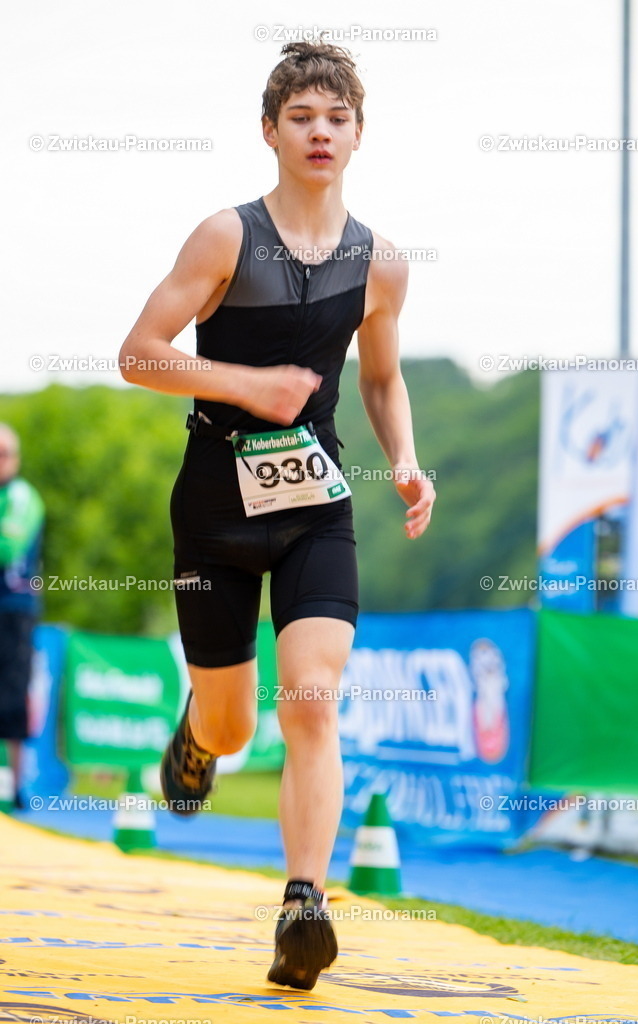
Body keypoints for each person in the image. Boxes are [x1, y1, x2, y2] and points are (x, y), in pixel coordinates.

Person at [119, 40, 436, 990]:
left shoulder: (381, 263)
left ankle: (304, 904)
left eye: (336, 118)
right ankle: (195, 734)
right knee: (232, 729)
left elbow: (380, 379)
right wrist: (244, 383)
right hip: (213, 509)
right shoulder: (224, 237)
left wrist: (407, 461)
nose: (319, 132)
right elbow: (139, 353)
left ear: (358, 134)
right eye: (301, 117)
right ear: (270, 131)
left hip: (315, 510)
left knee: (311, 698)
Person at [0, 423, 45, 809]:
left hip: (14, 611)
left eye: (4, 454)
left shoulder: (21, 496)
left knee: (14, 694)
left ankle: (17, 787)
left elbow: (7, 545)